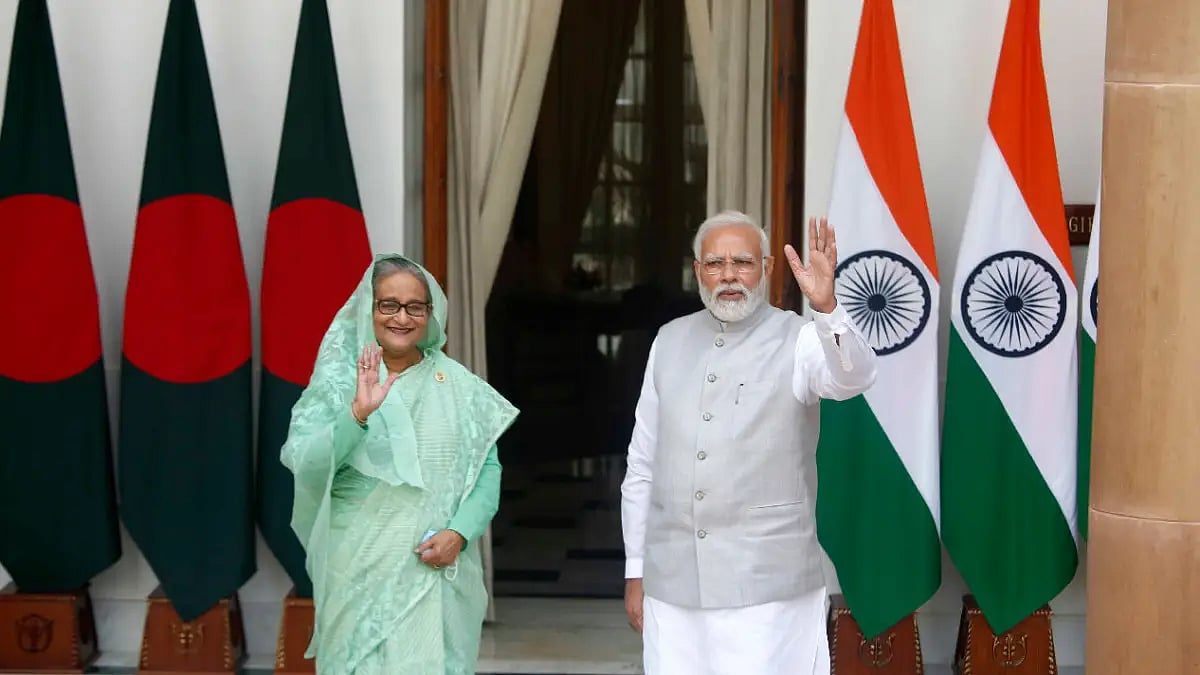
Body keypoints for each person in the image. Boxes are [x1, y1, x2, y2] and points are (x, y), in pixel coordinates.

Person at [620, 211, 878, 674]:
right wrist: (635, 569)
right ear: (697, 271)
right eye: (715, 263)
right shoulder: (668, 340)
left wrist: (828, 309)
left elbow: (853, 378)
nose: (729, 275)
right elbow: (642, 464)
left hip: (768, 586)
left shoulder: (800, 338)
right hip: (673, 583)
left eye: (742, 262)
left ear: (766, 268)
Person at [281, 254, 518, 674]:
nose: (402, 318)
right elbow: (307, 463)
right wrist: (356, 415)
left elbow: (487, 470)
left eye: (415, 307)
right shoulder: (339, 383)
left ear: (430, 313)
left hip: (435, 567)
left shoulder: (459, 385)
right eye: (388, 305)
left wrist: (460, 533)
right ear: (367, 309)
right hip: (360, 572)